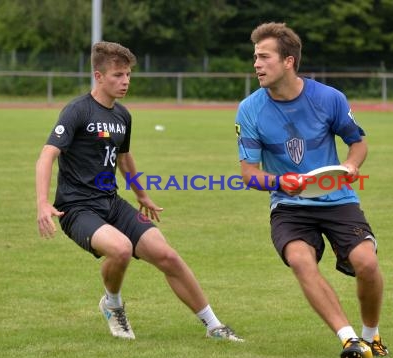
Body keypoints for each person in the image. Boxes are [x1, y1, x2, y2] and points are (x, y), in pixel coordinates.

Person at [36, 41, 242, 342]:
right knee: (120, 249)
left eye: (128, 74)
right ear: (99, 75)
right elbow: (47, 155)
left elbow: (124, 158)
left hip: (111, 202)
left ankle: (214, 326)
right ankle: (113, 305)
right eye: (118, 75)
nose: (126, 81)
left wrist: (142, 195)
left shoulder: (122, 116)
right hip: (77, 208)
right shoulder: (77, 111)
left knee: (167, 255)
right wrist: (42, 203)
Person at [235, 22, 387, 358]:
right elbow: (249, 174)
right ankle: (349, 339)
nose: (256, 64)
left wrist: (350, 165)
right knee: (301, 261)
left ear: (288, 61)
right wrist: (279, 182)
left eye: (264, 57)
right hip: (289, 206)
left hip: (338, 199)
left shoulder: (329, 98)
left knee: (367, 263)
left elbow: (357, 143)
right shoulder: (250, 109)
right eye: (255, 57)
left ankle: (370, 334)